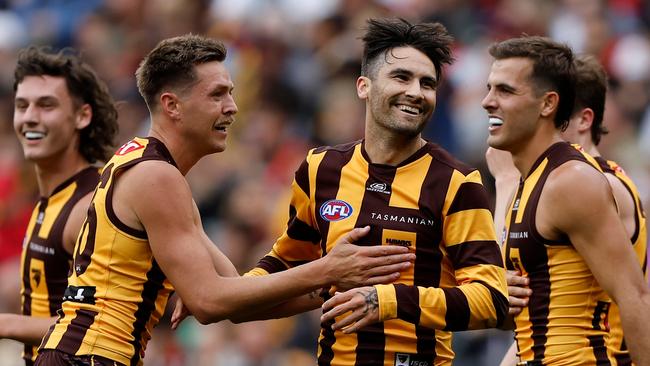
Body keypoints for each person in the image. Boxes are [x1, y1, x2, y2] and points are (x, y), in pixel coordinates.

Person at [34, 34, 415, 366]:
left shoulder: (149, 166)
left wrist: (340, 283)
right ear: (172, 106)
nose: (232, 107)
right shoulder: (156, 176)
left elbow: (236, 294)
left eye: (231, 93)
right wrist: (328, 269)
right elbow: (210, 302)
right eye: (217, 94)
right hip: (87, 356)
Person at [249, 18, 508, 366]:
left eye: (427, 83)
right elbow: (284, 264)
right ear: (364, 87)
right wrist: (231, 294)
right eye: (401, 77)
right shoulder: (321, 169)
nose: (416, 92)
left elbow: (491, 299)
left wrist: (388, 299)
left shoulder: (456, 182)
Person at [481, 36, 650, 365]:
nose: (487, 101)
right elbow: (520, 307)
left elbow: (636, 296)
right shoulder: (534, 179)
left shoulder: (573, 181)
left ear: (548, 105)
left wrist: (503, 182)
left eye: (505, 90)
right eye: (489, 88)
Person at [0, 46, 118, 365]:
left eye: (46, 105)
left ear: (83, 115)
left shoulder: (93, 203)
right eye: (22, 106)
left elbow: (102, 324)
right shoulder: (49, 198)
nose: (29, 118)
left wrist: (5, 323)